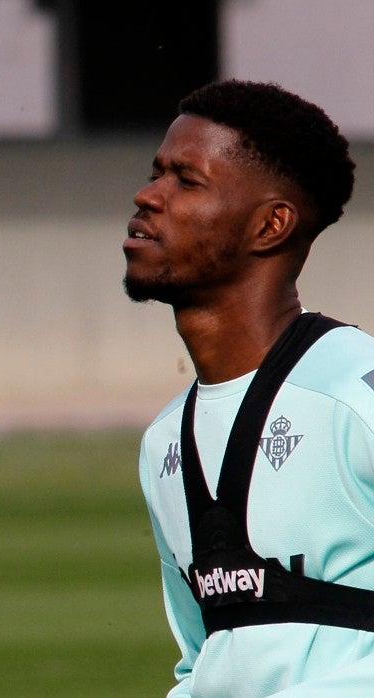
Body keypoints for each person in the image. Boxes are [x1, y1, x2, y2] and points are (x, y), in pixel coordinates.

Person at [125, 79, 374, 695]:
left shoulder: (355, 394)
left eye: (186, 180)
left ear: (270, 225)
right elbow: (205, 655)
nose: (147, 196)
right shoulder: (164, 442)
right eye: (156, 174)